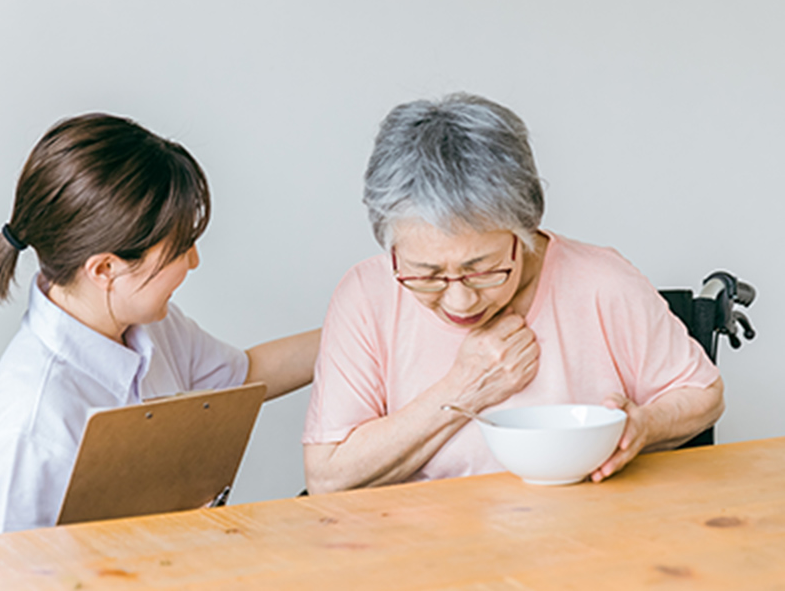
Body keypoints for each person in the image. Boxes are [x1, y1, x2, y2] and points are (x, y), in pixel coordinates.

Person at [303, 93, 723, 493]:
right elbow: (328, 477)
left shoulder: (602, 282)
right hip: (420, 537)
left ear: (525, 228)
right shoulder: (366, 296)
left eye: (482, 270)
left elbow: (703, 394)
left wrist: (645, 425)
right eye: (426, 275)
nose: (460, 302)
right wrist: (465, 387)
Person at [0, 113, 320, 537]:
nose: (194, 260)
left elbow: (244, 375)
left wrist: (363, 326)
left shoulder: (148, 326)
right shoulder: (26, 433)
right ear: (105, 268)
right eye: (180, 248)